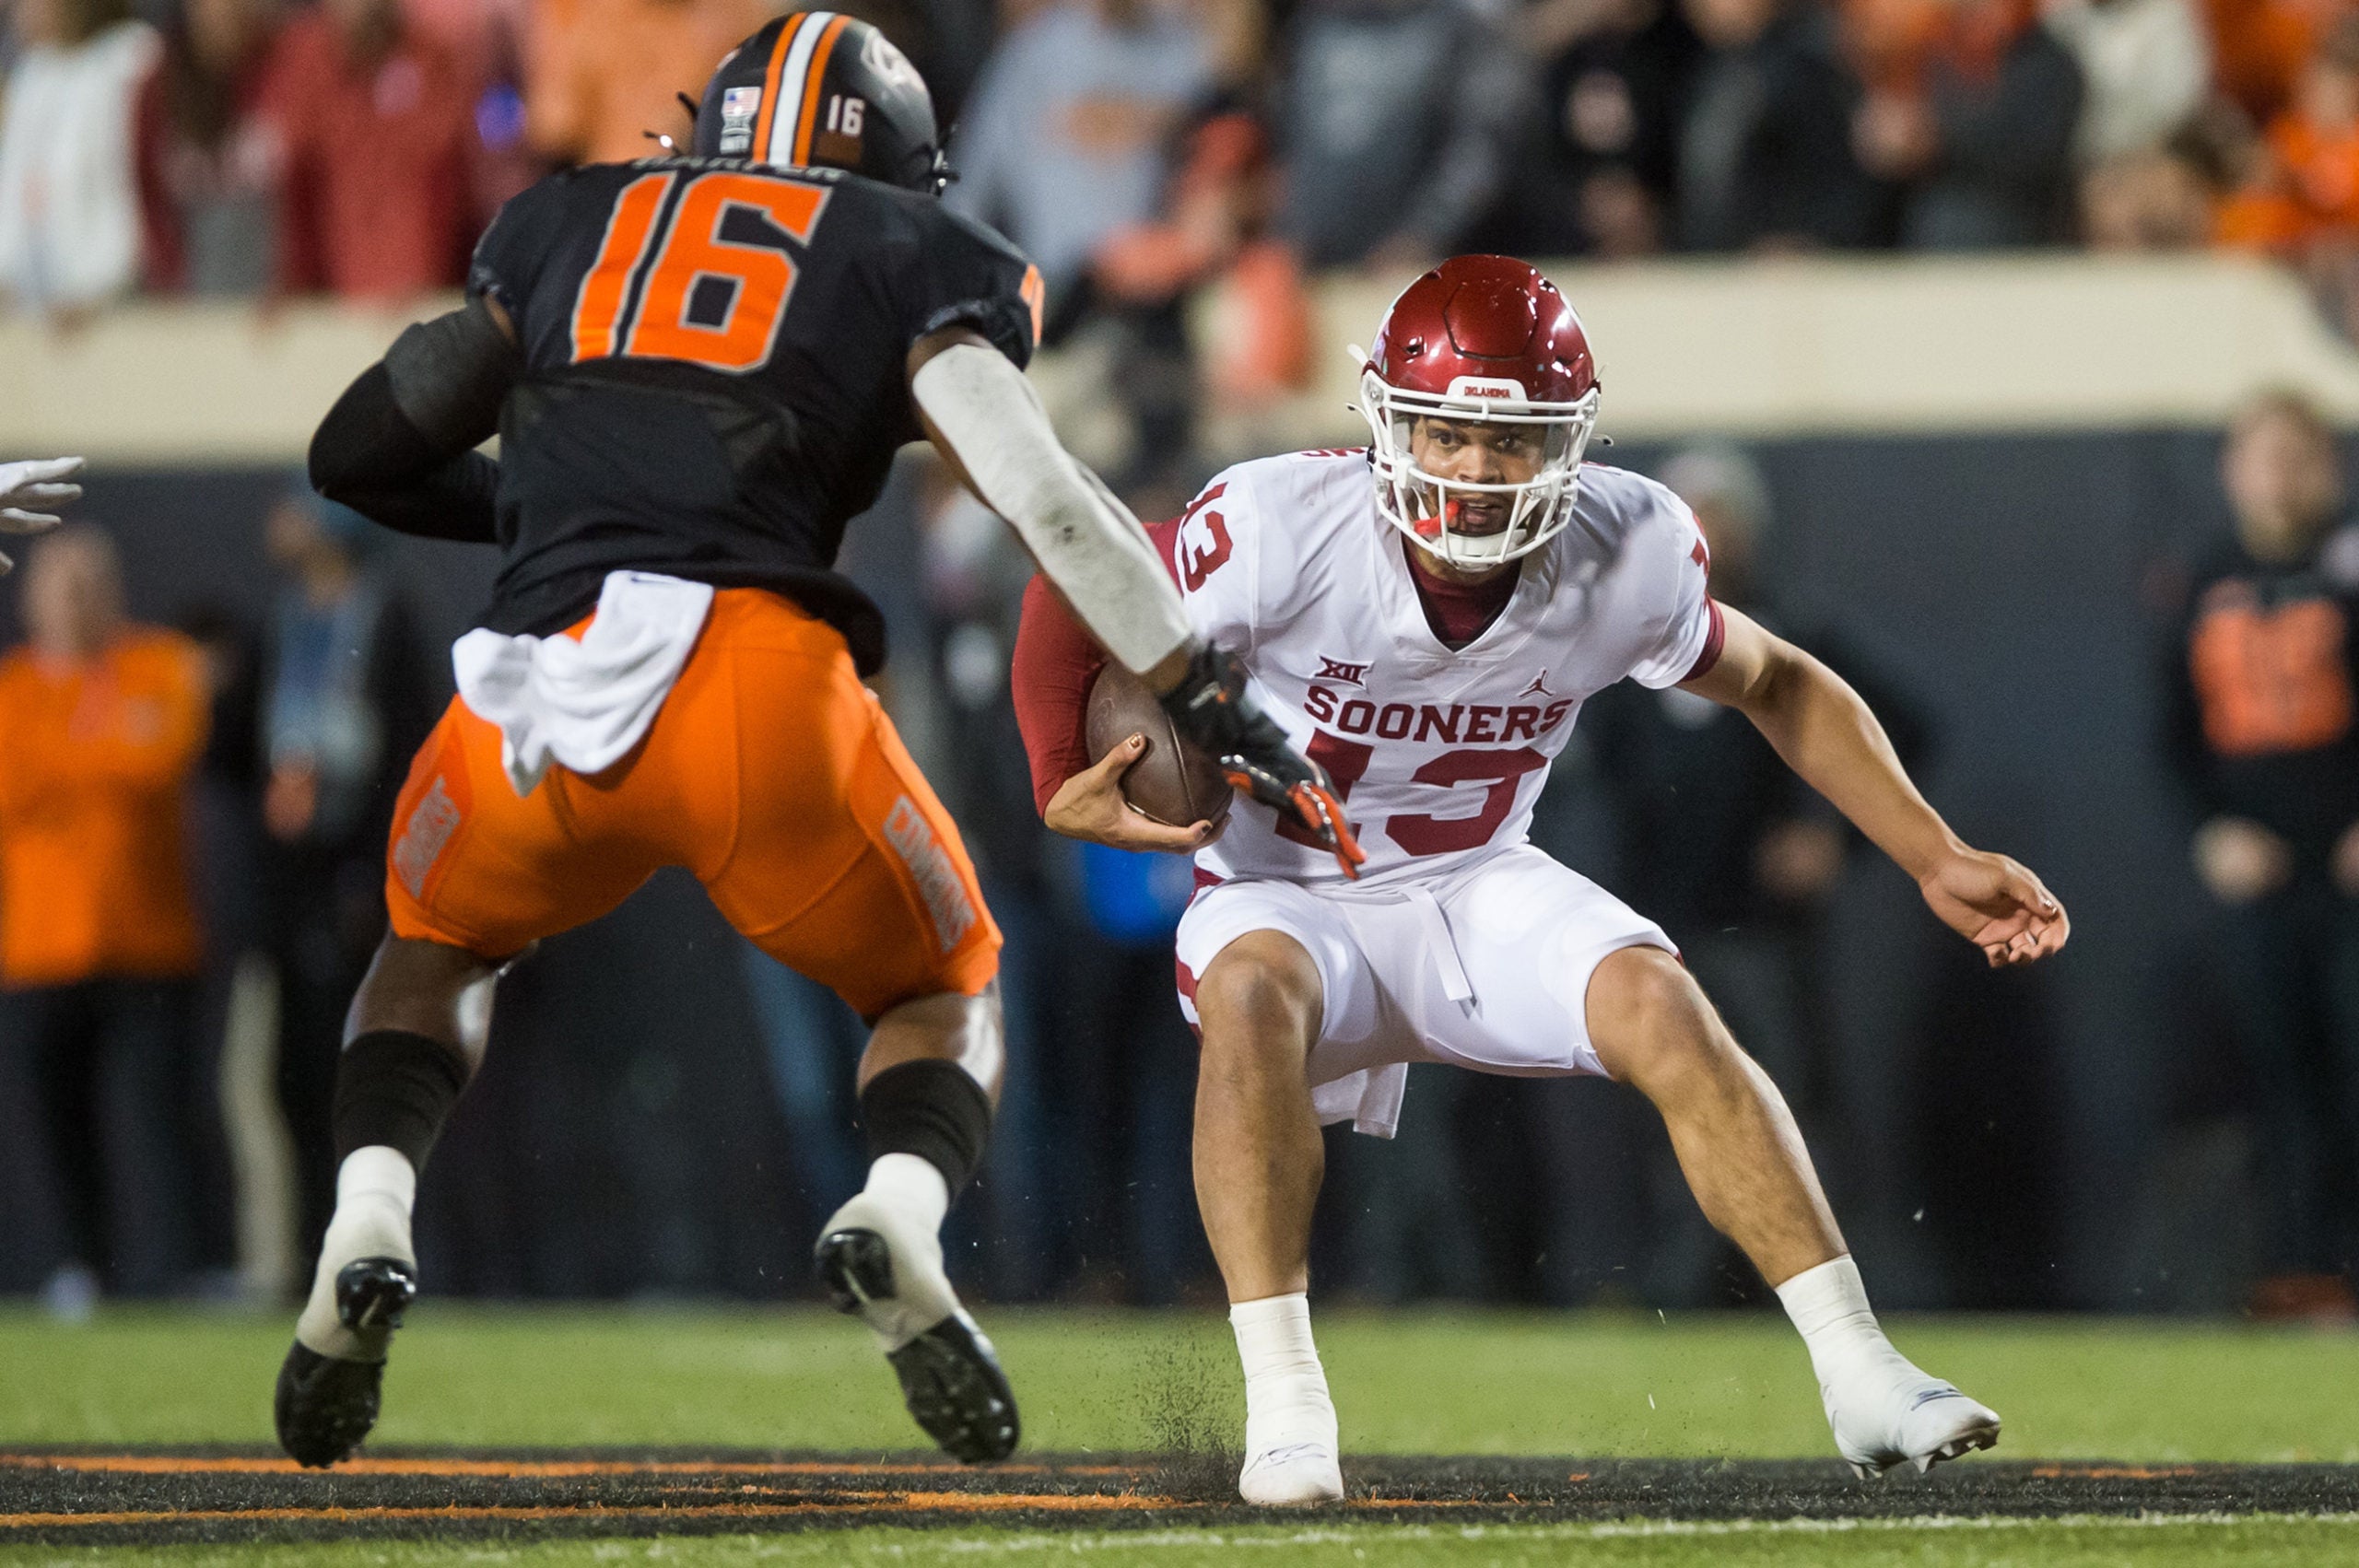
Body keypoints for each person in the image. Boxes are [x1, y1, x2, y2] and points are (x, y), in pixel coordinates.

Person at [274, 9, 1347, 1471]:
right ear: (899, 165)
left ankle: (370, 1211)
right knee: (945, 980)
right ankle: (899, 1211)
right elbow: (1041, 495)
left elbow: (356, 453)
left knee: (432, 945)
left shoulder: (567, 219)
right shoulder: (906, 252)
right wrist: (1201, 687)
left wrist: (564, 510)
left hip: (529, 686)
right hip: (750, 686)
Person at [1013, 255, 2068, 1504]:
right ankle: (1288, 1409)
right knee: (1250, 998)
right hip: (1279, 886)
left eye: (1507, 441)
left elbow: (1779, 678)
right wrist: (1051, 773)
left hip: (1474, 879)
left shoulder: (1626, 543)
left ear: (1565, 443)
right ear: (1387, 425)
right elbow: (1075, 560)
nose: (1471, 470)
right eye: (1446, 432)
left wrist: (1932, 852)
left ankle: (1862, 1371)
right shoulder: (1283, 525)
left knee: (1664, 1005)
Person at [2164, 390, 2359, 1320]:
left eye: (2296, 454)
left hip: (2349, 872)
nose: (2279, 473)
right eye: (2262, 454)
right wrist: (2212, 829)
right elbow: (2169, 736)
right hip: (2264, 881)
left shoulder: (2349, 563)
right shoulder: (2201, 577)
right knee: (2279, 1075)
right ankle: (2297, 1271)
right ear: (2232, 469)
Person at [0, 524, 210, 1310]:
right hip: (41, 945)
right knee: (59, 1122)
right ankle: (75, 1269)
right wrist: (98, 756)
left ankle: (181, 1268)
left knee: (163, 1116)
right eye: (62, 581)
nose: (77, 597)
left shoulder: (156, 663)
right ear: (32, 596)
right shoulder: (14, 687)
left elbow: (160, 761)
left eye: (92, 581)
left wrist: (64, 763)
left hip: (150, 938)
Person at [256, 486, 434, 1259]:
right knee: (291, 1072)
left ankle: (373, 1237)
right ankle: (303, 1244)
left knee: (363, 1061)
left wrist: (375, 871)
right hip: (288, 876)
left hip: (357, 868)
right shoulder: (285, 617)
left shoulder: (381, 617)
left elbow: (403, 751)